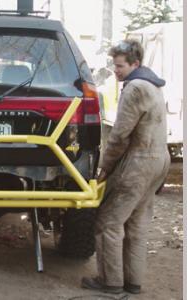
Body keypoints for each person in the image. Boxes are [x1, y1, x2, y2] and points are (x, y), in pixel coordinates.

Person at [81, 39, 170, 295]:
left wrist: (105, 167)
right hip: (158, 161)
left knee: (108, 221)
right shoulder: (154, 86)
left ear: (135, 63)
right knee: (136, 223)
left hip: (138, 162)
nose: (116, 71)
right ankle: (133, 282)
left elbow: (120, 136)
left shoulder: (134, 89)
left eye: (120, 66)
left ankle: (110, 282)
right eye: (115, 65)